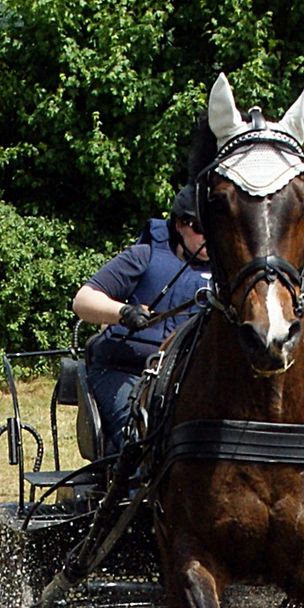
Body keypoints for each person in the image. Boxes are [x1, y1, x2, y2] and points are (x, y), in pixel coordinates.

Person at [73, 184, 211, 453]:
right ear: (180, 224)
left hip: (192, 381)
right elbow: (83, 300)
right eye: (201, 229)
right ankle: (136, 489)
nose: (209, 238)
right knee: (143, 434)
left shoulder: (227, 272)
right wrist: (122, 313)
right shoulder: (144, 256)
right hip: (125, 371)